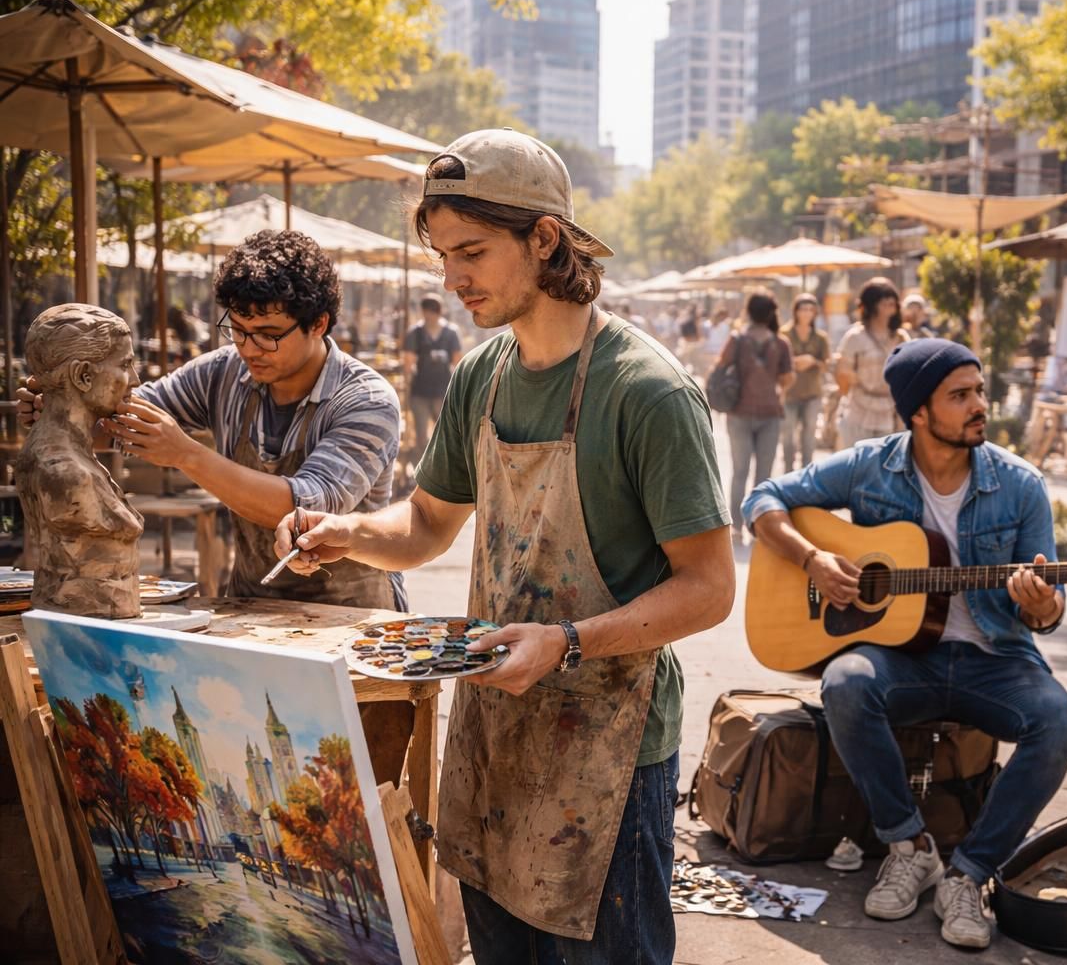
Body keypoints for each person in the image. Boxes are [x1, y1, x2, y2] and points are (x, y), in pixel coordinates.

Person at [272, 128, 734, 964]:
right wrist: (344, 534)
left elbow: (708, 589)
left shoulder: (650, 392)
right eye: (443, 255)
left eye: (472, 252)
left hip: (611, 756)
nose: (452, 280)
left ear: (545, 238)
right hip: (493, 736)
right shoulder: (480, 377)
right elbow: (421, 530)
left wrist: (566, 645)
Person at [744, 337, 1067, 950]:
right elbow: (761, 499)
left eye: (980, 391)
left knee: (1059, 723)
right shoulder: (872, 465)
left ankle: (969, 873)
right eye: (960, 396)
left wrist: (1043, 605)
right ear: (918, 413)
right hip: (903, 658)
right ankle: (909, 845)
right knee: (845, 683)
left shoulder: (1019, 485)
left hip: (995, 658)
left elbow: (1049, 606)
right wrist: (815, 557)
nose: (979, 405)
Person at [18, 229, 405, 612]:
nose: (249, 348)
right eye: (237, 330)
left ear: (318, 324)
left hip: (354, 617)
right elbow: (121, 415)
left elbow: (306, 507)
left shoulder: (366, 401)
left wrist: (187, 455)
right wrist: (66, 408)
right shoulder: (222, 371)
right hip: (253, 602)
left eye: (268, 335)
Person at [17, 304, 144, 618]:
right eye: (125, 365)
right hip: (85, 627)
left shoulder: (76, 457)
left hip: (101, 622)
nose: (136, 380)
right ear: (83, 375)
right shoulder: (64, 472)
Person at [718, 292, 794, 544]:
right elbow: (787, 379)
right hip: (770, 414)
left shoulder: (737, 339)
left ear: (748, 311)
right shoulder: (781, 343)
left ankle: (736, 527)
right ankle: (759, 525)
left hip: (739, 412)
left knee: (739, 472)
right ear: (772, 313)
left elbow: (719, 367)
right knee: (764, 474)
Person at [833, 278, 911, 446]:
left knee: (884, 467)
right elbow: (842, 374)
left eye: (892, 299)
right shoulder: (855, 337)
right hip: (857, 412)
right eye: (883, 299)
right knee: (857, 466)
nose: (889, 303)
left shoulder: (900, 337)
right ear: (870, 304)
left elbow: (907, 373)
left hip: (890, 413)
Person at [402, 293, 463, 465]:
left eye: (433, 311)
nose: (430, 315)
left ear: (439, 312)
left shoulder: (451, 333)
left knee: (446, 434)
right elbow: (408, 361)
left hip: (443, 391)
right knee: (421, 435)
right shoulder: (416, 333)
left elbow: (458, 360)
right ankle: (421, 472)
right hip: (420, 391)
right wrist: (408, 382)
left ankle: (444, 470)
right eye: (427, 311)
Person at [780, 293, 830, 472]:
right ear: (796, 311)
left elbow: (826, 365)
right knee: (788, 436)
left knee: (808, 437)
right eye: (803, 309)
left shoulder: (821, 337)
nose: (807, 313)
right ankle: (787, 471)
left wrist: (813, 361)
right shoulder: (784, 334)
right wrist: (795, 362)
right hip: (790, 393)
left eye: (810, 309)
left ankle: (806, 473)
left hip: (812, 393)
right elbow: (778, 361)